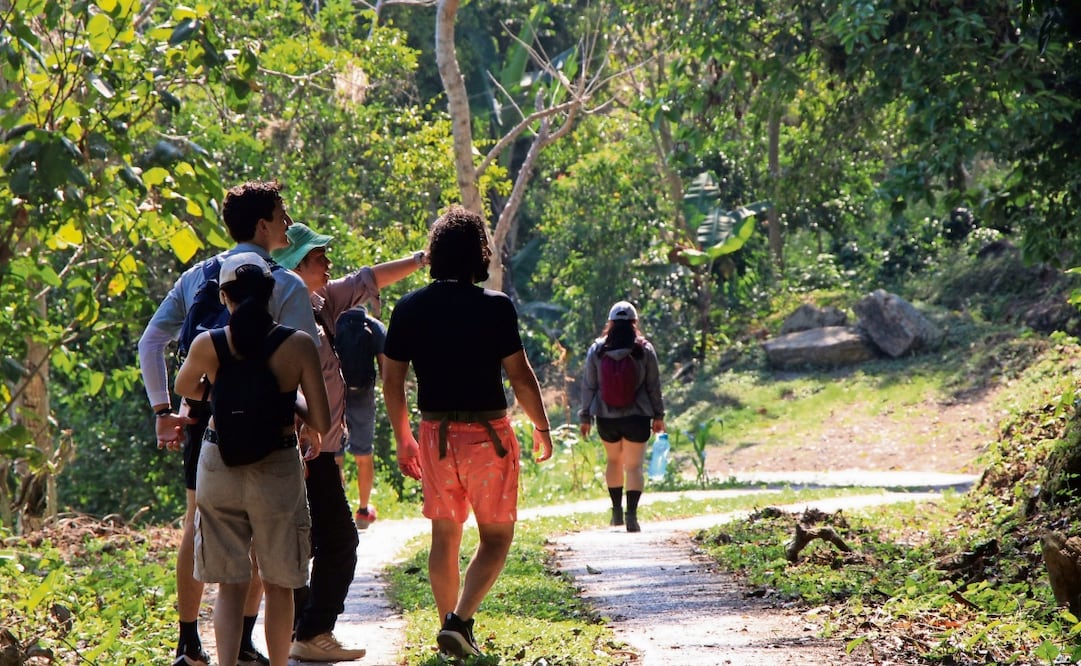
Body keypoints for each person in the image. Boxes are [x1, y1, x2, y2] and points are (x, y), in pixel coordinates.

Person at [138, 180, 320, 666]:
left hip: (207, 426)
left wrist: (163, 413)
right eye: (282, 214)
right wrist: (311, 425)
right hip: (272, 434)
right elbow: (308, 363)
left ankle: (189, 643)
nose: (287, 222)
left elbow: (151, 343)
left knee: (200, 528)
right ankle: (242, 642)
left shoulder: (199, 277)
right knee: (266, 539)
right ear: (262, 224)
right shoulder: (285, 282)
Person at [382, 204, 554, 660]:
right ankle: (460, 623)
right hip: (487, 436)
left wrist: (404, 437)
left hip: (435, 435)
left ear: (436, 252)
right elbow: (520, 377)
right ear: (480, 254)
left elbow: (393, 382)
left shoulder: (409, 307)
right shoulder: (495, 308)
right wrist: (541, 425)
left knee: (445, 535)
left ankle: (449, 632)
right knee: (496, 537)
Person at [270, 221, 425, 661]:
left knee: (320, 540)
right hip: (295, 449)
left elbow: (369, 278)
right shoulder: (279, 311)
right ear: (295, 265)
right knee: (329, 541)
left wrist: (420, 260)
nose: (328, 261)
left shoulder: (322, 302)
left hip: (322, 450)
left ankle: (306, 630)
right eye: (319, 257)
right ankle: (308, 631)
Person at [173, 252, 330, 666]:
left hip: (218, 460)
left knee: (230, 584)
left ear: (224, 296)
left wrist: (221, 398)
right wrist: (284, 400)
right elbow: (320, 418)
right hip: (276, 466)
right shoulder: (295, 344)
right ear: (270, 293)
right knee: (279, 584)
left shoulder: (209, 343)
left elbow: (185, 386)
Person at [578, 301, 666, 533]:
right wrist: (659, 414)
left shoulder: (598, 349)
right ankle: (632, 516)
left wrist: (585, 416)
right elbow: (653, 386)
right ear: (634, 322)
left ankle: (616, 512)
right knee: (634, 466)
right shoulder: (644, 349)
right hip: (638, 416)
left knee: (614, 460)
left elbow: (589, 385)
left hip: (606, 417)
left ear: (611, 323)